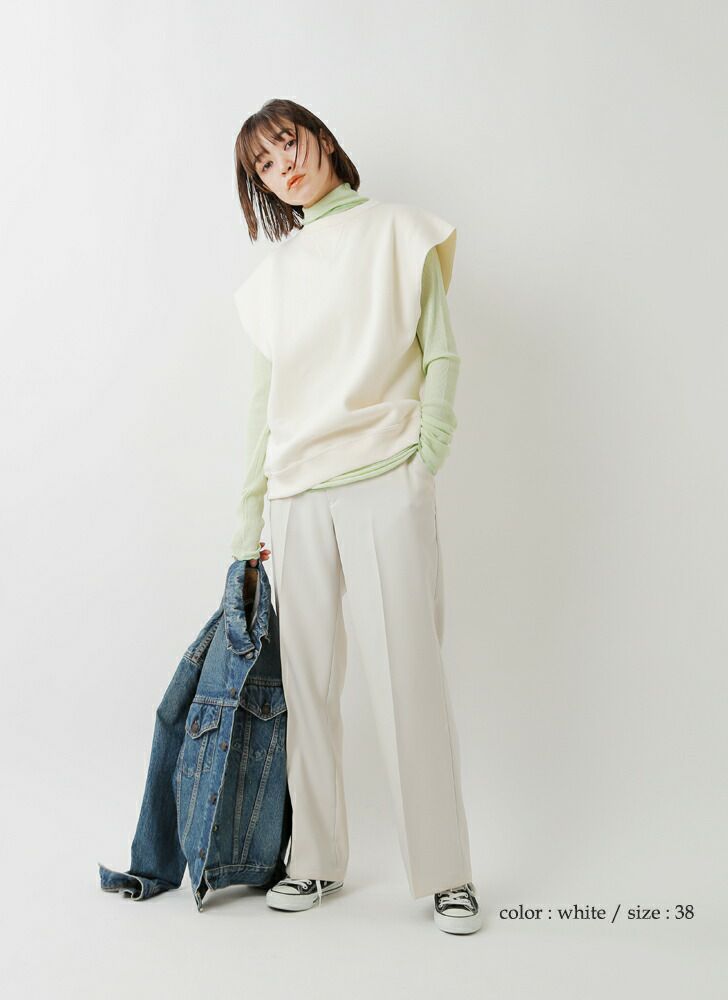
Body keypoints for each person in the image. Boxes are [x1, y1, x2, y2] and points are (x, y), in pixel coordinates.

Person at [229, 98, 481, 935]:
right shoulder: (271, 281)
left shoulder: (401, 231)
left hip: (385, 479)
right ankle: (314, 862)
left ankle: (446, 874)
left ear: (324, 140)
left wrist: (425, 454)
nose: (284, 168)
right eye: (265, 166)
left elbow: (441, 351)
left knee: (410, 679)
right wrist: (247, 524)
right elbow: (263, 408)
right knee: (307, 688)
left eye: (288, 145)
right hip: (296, 496)